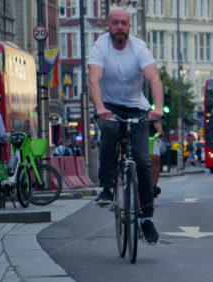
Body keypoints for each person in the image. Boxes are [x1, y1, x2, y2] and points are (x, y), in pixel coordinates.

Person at [88, 7, 163, 244]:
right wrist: (100, 108)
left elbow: (153, 78)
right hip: (109, 105)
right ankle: (108, 186)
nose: (120, 27)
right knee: (109, 130)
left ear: (130, 26)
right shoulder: (101, 47)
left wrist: (157, 109)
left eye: (124, 23)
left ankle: (146, 219)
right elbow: (94, 79)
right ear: (108, 25)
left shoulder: (139, 47)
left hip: (137, 108)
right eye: (115, 23)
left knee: (142, 160)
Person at [150, 121, 165, 197]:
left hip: (150, 140)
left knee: (155, 158)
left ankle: (153, 186)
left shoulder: (150, 114)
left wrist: (160, 132)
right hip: (134, 138)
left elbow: (160, 131)